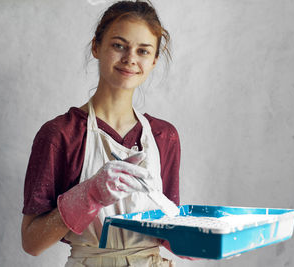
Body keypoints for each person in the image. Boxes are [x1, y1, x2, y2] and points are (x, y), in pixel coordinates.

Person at [21, 1, 180, 266]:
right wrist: (88, 195)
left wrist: (200, 243)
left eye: (143, 51)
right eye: (119, 45)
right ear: (97, 46)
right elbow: (31, 242)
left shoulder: (165, 136)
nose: (130, 58)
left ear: (153, 60)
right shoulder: (60, 135)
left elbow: (169, 231)